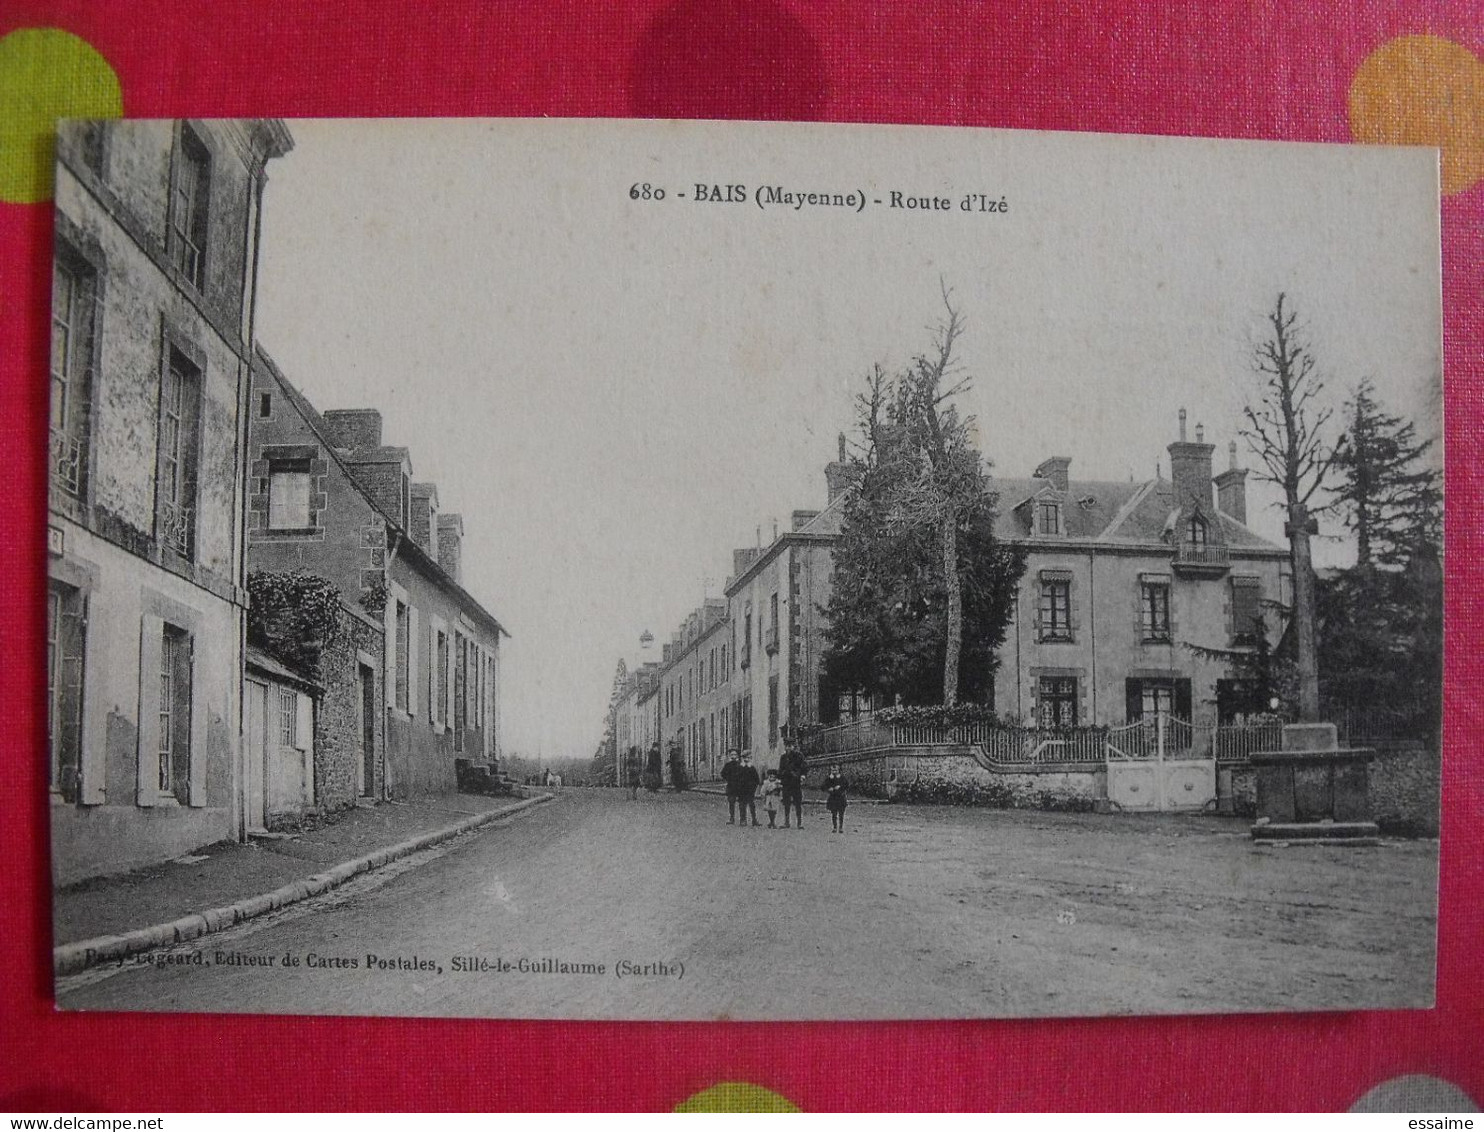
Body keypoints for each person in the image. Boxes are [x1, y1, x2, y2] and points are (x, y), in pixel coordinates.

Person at [779, 743, 807, 829]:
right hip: (786, 782)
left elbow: (804, 767)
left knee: (798, 802)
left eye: (790, 746)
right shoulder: (783, 757)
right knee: (786, 802)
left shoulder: (799, 756)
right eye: (786, 746)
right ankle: (786, 822)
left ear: (793, 746)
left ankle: (799, 823)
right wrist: (781, 776)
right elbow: (780, 768)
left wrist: (802, 775)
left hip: (795, 782)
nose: (788, 748)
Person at [735, 753, 761, 827]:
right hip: (741, 790)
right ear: (743, 758)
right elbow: (736, 779)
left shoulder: (752, 768)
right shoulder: (739, 767)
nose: (747, 759)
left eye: (749, 758)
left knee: (752, 805)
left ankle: (754, 820)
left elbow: (757, 780)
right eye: (746, 758)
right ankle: (743, 820)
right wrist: (738, 788)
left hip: (750, 790)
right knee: (742, 805)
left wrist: (753, 788)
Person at [824, 766, 848, 833]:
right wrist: (829, 788)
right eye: (832, 770)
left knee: (841, 813)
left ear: (839, 771)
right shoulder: (829, 778)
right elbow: (824, 786)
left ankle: (841, 827)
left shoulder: (842, 778)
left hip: (841, 797)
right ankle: (834, 827)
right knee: (834, 813)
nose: (834, 772)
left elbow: (846, 785)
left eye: (836, 770)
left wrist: (840, 786)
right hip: (833, 798)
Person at [720, 749, 741, 823]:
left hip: (740, 786)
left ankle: (742, 819)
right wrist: (728, 778)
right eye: (732, 755)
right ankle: (732, 818)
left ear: (737, 756)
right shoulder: (728, 765)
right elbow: (723, 773)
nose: (733, 756)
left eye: (735, 754)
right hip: (731, 786)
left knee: (742, 803)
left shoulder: (740, 764)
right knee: (731, 802)